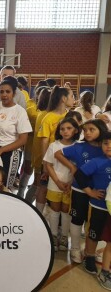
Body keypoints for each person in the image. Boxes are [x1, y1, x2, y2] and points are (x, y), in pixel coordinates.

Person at [54, 119, 108, 264]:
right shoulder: (79, 147)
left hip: (99, 193)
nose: (87, 133)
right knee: (77, 218)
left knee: (93, 222)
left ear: (101, 130)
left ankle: (89, 251)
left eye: (92, 129)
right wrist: (72, 168)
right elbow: (58, 154)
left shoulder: (105, 147)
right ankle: (75, 249)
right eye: (85, 130)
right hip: (80, 189)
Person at [0, 76, 32, 189]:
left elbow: (23, 140)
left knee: (4, 186)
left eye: (8, 92)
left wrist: (1, 150)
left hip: (10, 152)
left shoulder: (20, 111)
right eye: (2, 91)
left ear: (14, 93)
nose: (4, 94)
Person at [74, 130, 111, 276]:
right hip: (98, 206)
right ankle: (89, 256)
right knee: (94, 233)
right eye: (105, 143)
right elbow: (79, 175)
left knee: (107, 236)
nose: (108, 146)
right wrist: (90, 192)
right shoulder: (97, 161)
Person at [35, 85, 75, 212]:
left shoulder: (70, 115)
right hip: (51, 160)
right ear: (63, 98)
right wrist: (45, 164)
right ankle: (39, 214)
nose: (74, 99)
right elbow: (44, 141)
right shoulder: (49, 117)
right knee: (44, 187)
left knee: (63, 188)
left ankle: (58, 220)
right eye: (72, 96)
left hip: (67, 160)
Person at [43, 118, 80, 252]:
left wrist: (70, 183)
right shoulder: (54, 145)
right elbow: (49, 165)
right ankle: (53, 235)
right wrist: (58, 182)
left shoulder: (78, 146)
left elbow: (78, 167)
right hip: (55, 183)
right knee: (54, 210)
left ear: (75, 130)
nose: (65, 131)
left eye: (69, 128)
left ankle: (64, 236)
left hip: (71, 185)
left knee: (66, 210)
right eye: (62, 129)